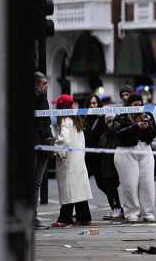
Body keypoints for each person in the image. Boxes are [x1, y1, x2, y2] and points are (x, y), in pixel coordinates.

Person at [113, 94, 156, 223]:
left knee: (147, 183)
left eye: (140, 104)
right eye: (135, 105)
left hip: (145, 149)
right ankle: (131, 212)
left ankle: (148, 212)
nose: (138, 107)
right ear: (129, 106)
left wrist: (147, 125)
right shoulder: (121, 116)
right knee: (129, 184)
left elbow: (153, 133)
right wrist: (136, 126)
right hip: (126, 150)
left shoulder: (147, 115)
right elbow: (119, 134)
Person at [51, 95, 93, 227]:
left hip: (68, 161)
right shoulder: (76, 120)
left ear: (61, 107)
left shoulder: (65, 120)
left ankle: (65, 218)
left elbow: (64, 140)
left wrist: (57, 150)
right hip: (78, 160)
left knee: (68, 189)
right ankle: (84, 217)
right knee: (79, 190)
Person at [83, 94, 122, 220]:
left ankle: (117, 207)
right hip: (88, 157)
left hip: (100, 158)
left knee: (106, 184)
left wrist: (104, 119)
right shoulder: (85, 119)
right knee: (85, 184)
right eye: (90, 104)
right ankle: (81, 212)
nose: (93, 106)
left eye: (95, 103)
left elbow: (111, 132)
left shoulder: (102, 119)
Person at [34, 71, 54, 230]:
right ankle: (30, 215)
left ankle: (33, 215)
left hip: (43, 146)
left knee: (37, 183)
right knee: (31, 183)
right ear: (36, 84)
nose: (46, 86)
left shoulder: (44, 101)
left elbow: (46, 122)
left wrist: (49, 140)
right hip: (32, 146)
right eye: (44, 83)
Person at [98, 114, 124, 220]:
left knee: (116, 189)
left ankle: (119, 208)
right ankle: (114, 208)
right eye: (108, 121)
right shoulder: (103, 136)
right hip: (106, 167)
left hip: (117, 167)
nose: (111, 124)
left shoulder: (119, 134)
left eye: (113, 121)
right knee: (109, 189)